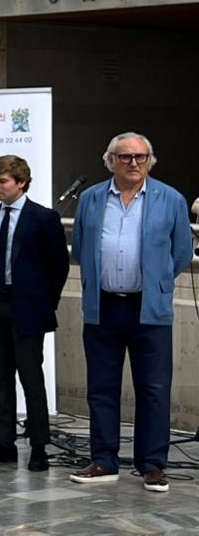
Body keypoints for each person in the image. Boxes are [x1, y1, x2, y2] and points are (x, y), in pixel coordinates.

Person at [68, 132, 193, 493]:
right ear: (110, 161)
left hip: (148, 309)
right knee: (101, 388)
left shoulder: (170, 199)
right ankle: (103, 460)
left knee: (153, 389)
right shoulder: (92, 198)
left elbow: (181, 251)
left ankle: (152, 465)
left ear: (150, 161)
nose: (133, 163)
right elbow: (80, 249)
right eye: (125, 157)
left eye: (140, 156)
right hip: (103, 306)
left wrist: (157, 283)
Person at [0, 155, 68, 472]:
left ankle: (39, 444)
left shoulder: (43, 217)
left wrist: (44, 304)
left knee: (30, 376)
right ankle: (5, 442)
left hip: (27, 306)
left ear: (21, 182)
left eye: (3, 182)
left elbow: (58, 266)